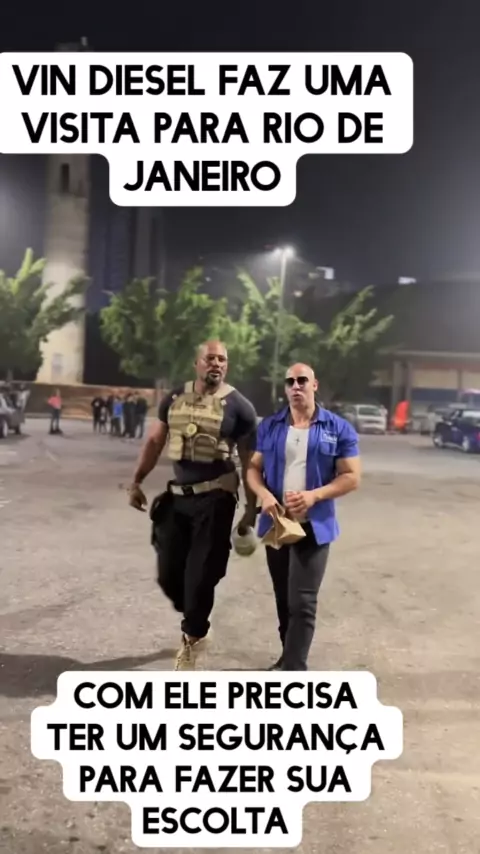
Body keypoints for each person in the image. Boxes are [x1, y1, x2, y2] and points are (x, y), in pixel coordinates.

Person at [128, 340, 258, 671]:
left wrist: (251, 507)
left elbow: (249, 459)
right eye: (210, 358)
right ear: (197, 363)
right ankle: (194, 614)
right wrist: (137, 481)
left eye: (222, 359)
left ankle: (192, 636)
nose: (217, 364)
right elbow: (155, 441)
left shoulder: (240, 408)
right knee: (169, 576)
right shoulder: (174, 398)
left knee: (201, 575)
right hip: (178, 499)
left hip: (216, 500)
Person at [247, 363, 361, 671]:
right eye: (290, 382)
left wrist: (314, 496)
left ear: (314, 385)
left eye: (302, 380)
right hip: (278, 526)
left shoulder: (337, 428)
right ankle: (288, 658)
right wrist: (265, 495)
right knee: (284, 598)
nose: (296, 386)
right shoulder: (271, 426)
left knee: (303, 601)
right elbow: (253, 468)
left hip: (314, 527)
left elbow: (352, 477)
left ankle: (295, 670)